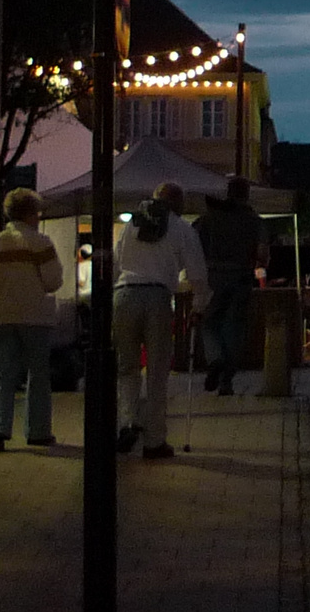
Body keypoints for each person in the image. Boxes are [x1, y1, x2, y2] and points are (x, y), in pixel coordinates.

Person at [115, 182, 210, 459]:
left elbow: (118, 261)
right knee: (157, 371)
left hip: (124, 295)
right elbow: (198, 274)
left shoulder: (132, 225)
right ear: (178, 204)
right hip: (157, 298)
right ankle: (154, 440)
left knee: (126, 367)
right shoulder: (182, 228)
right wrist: (198, 305)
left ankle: (128, 422)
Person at [0, 188, 65, 452]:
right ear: (30, 214)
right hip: (34, 317)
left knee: (2, 375)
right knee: (37, 375)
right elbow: (53, 281)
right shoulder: (40, 243)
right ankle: (37, 432)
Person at [193, 176, 265, 395]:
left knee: (209, 323)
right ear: (246, 194)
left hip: (213, 276)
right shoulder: (253, 220)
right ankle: (227, 381)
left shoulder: (207, 219)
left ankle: (215, 359)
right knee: (234, 328)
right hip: (241, 276)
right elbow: (262, 254)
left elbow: (192, 245)